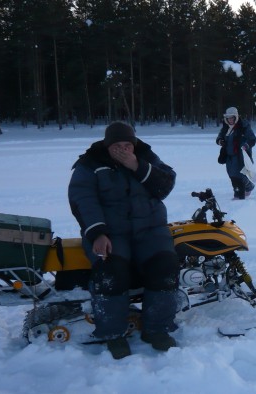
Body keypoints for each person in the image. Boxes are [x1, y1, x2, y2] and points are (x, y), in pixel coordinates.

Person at [68, 121, 179, 359]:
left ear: (134, 144)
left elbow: (166, 185)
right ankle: (112, 334)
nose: (122, 149)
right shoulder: (90, 164)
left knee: (166, 266)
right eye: (116, 145)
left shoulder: (145, 157)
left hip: (150, 229)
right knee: (111, 271)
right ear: (107, 146)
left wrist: (137, 166)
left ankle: (157, 329)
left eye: (127, 145)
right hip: (111, 232)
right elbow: (82, 199)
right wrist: (97, 232)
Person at [216, 106, 256, 199]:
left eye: (232, 118)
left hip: (240, 156)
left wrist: (246, 145)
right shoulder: (226, 128)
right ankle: (248, 187)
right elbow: (219, 138)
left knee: (238, 175)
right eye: (228, 118)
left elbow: (252, 139)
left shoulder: (243, 126)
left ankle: (238, 196)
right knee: (232, 175)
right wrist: (220, 141)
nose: (230, 120)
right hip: (229, 157)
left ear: (236, 117)